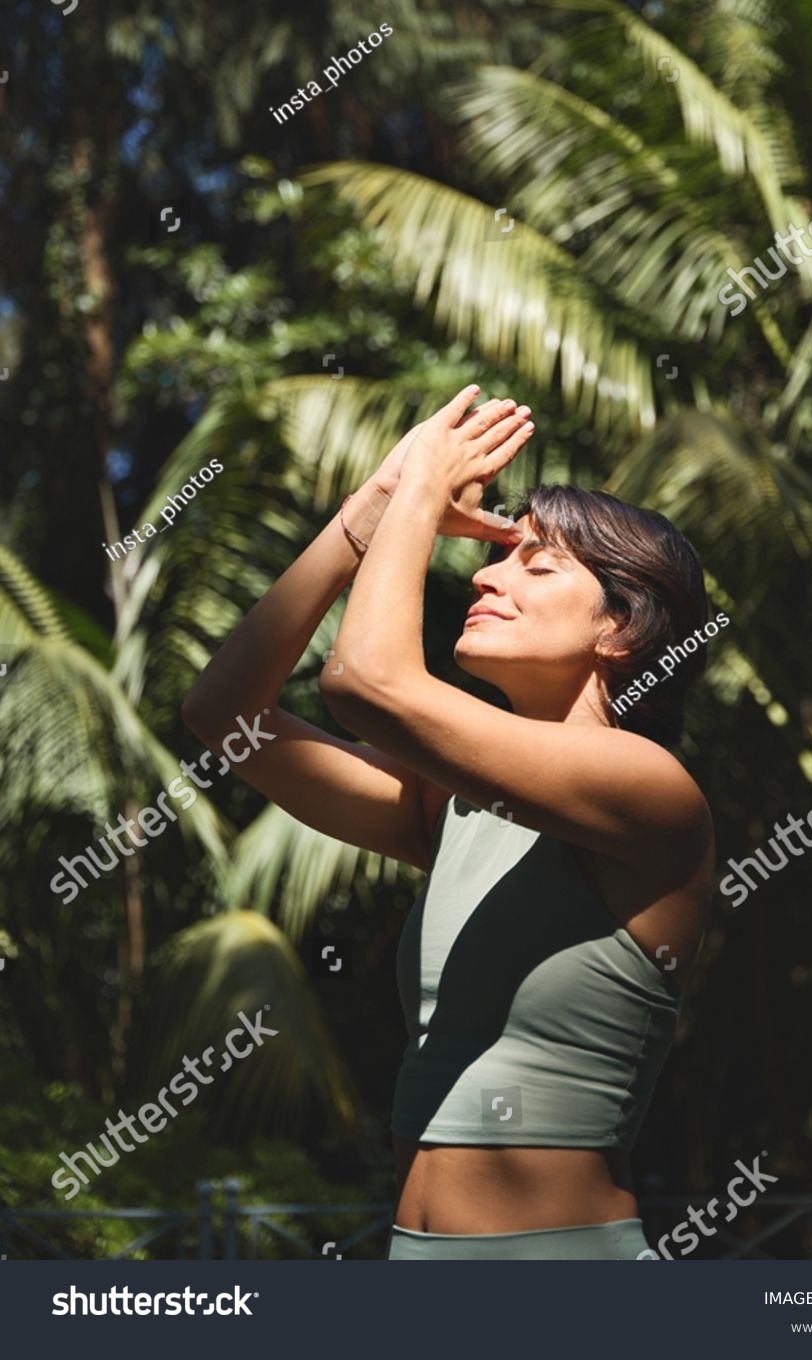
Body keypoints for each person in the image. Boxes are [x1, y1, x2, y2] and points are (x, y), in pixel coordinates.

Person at [182, 385, 715, 1260]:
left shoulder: (648, 789)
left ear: (620, 630)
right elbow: (222, 715)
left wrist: (425, 487)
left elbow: (365, 682)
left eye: (536, 564)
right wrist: (365, 516)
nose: (485, 572)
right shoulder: (459, 805)